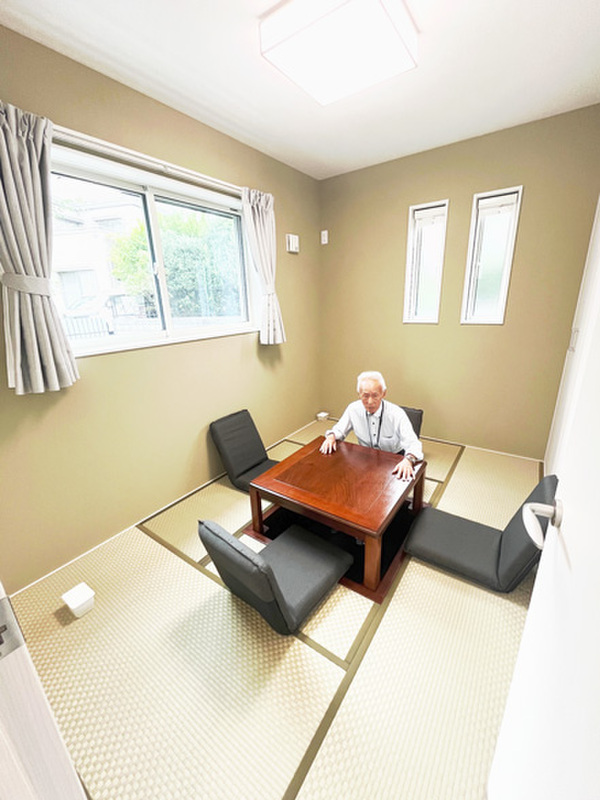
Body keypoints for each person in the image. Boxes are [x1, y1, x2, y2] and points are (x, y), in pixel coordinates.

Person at [319, 370, 423, 479]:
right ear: (359, 395)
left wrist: (408, 460)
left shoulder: (396, 414)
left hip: (394, 459)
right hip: (365, 458)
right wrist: (331, 437)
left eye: (375, 395)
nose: (370, 401)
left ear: (383, 393)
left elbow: (414, 443)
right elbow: (339, 430)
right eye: (365, 396)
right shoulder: (353, 409)